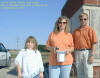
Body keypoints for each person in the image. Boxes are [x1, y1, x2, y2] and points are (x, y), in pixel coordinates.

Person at [72, 13, 98, 78]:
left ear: (87, 20)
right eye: (81, 19)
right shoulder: (75, 31)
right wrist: (72, 55)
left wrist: (92, 55)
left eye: (85, 19)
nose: (83, 21)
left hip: (87, 52)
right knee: (80, 72)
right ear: (79, 20)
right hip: (77, 53)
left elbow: (94, 43)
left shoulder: (90, 30)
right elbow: (72, 44)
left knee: (88, 72)